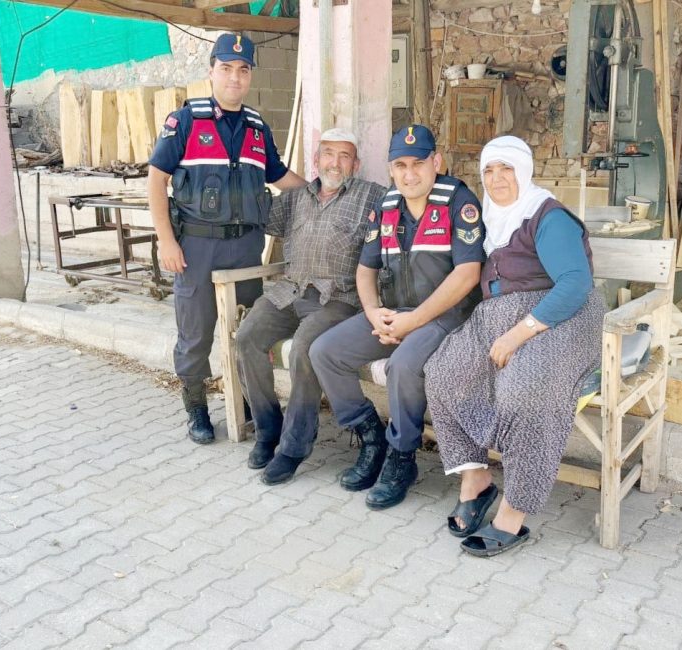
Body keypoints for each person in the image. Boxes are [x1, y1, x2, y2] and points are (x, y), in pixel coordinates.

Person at [424, 135, 605, 557]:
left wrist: (519, 333)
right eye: (489, 170)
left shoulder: (547, 216)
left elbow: (576, 284)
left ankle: (514, 512)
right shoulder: (493, 217)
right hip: (501, 316)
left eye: (506, 168)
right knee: (444, 372)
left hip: (559, 318)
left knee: (525, 390)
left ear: (523, 171)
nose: (497, 178)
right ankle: (476, 478)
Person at [302, 124, 485, 508]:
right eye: (399, 165)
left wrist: (412, 320)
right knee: (324, 352)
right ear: (390, 169)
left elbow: (468, 274)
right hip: (394, 314)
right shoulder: (386, 206)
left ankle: (402, 457)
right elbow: (365, 270)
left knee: (403, 366)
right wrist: (373, 313)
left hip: (446, 318)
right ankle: (370, 439)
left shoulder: (459, 201)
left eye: (418, 163)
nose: (409, 173)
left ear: (437, 161)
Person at [147, 32, 305, 445]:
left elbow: (279, 176)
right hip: (197, 246)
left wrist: (317, 192)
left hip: (246, 247)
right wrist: (166, 240)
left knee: (249, 328)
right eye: (226, 68)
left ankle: (251, 399)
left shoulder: (256, 127)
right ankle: (197, 407)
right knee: (196, 331)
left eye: (243, 70)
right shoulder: (184, 121)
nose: (235, 77)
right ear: (212, 71)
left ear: (250, 75)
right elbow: (156, 179)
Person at [235, 129, 387, 480]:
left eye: (345, 155)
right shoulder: (294, 198)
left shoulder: (373, 197)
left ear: (356, 164)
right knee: (247, 337)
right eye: (329, 154)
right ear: (316, 161)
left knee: (304, 347)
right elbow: (258, 218)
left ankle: (293, 447)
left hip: (339, 298)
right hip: (289, 291)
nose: (336, 162)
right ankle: (268, 431)